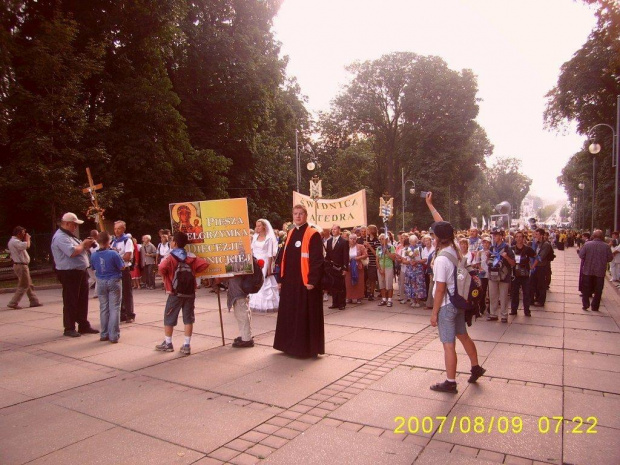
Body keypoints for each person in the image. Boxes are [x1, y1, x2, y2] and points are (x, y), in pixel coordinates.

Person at [425, 193, 485, 393]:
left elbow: (440, 289)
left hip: (446, 306)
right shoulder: (455, 247)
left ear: (437, 238)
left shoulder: (441, 259)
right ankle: (476, 366)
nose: (432, 237)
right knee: (463, 335)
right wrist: (430, 205)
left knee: (448, 344)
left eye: (433, 235)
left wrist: (434, 313)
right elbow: (442, 224)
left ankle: (450, 382)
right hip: (458, 302)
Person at [273, 204, 325, 358]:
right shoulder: (289, 233)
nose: (297, 216)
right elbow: (283, 257)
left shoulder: (313, 234)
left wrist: (313, 280)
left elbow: (317, 260)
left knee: (304, 315)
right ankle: (288, 345)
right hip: (290, 282)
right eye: (295, 213)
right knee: (290, 314)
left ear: (306, 215)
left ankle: (305, 349)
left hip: (305, 281)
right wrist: (281, 279)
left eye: (300, 214)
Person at [156, 232, 209, 355]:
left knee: (169, 316)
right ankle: (186, 345)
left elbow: (161, 268)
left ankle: (168, 343)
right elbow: (204, 264)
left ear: (174, 243)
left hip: (175, 292)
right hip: (190, 292)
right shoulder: (191, 257)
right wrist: (194, 272)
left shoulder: (170, 257)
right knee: (188, 318)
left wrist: (167, 276)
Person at [50, 212, 98, 337]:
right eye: (74, 224)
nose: (75, 227)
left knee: (82, 299)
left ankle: (83, 325)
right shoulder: (60, 237)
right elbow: (72, 252)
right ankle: (69, 327)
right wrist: (83, 244)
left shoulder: (68, 235)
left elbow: (78, 249)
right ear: (66, 223)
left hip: (78, 271)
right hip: (69, 272)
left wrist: (85, 245)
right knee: (71, 299)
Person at [90, 231, 124, 343]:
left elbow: (94, 267)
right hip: (113, 279)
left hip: (101, 280)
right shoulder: (113, 254)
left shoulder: (94, 254)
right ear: (108, 241)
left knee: (103, 308)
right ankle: (113, 334)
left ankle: (104, 333)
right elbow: (121, 266)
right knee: (114, 307)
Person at [7, 226, 42, 309]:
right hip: (21, 266)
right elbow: (27, 246)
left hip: (21, 265)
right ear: (18, 233)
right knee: (23, 285)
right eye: (23, 233)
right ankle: (13, 303)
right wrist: (28, 239)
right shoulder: (15, 241)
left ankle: (34, 301)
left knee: (28, 284)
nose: (24, 235)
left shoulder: (15, 241)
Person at [248, 219, 280, 313]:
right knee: (254, 281)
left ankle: (266, 304)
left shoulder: (268, 239)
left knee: (264, 282)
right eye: (256, 226)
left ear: (264, 227)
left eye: (259, 226)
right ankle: (254, 303)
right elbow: (251, 250)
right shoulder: (254, 237)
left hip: (265, 261)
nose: (257, 228)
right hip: (255, 261)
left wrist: (269, 268)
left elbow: (270, 254)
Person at [579, 229, 613, 312]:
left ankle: (585, 304)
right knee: (598, 290)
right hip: (600, 271)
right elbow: (610, 258)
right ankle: (595, 306)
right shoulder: (606, 246)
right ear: (602, 237)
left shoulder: (587, 244)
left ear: (593, 236)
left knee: (586, 288)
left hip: (588, 270)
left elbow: (581, 255)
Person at [487, 228, 515, 322]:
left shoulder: (507, 247)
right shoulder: (491, 248)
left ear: (501, 236)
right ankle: (493, 314)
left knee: (503, 296)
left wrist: (506, 257)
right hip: (493, 275)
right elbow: (488, 261)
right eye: (493, 235)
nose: (494, 237)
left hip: (504, 275)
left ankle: (504, 316)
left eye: (496, 235)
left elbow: (513, 263)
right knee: (493, 295)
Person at [111, 221, 135, 322]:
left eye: (119, 229)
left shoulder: (127, 241)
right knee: (117, 293)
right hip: (115, 270)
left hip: (124, 269)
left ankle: (130, 314)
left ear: (123, 229)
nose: (116, 231)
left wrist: (115, 256)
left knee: (126, 292)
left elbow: (127, 256)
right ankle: (121, 313)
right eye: (115, 229)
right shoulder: (113, 241)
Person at [510, 231, 536, 317]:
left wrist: (533, 266)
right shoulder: (512, 249)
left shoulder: (528, 249)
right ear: (515, 238)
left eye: (520, 236)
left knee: (526, 293)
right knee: (514, 293)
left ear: (523, 238)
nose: (518, 238)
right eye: (517, 237)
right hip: (515, 275)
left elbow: (537, 257)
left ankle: (527, 310)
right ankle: (513, 310)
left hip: (525, 274)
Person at [326, 224, 349, 310]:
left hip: (340, 267)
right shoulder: (329, 241)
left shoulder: (344, 241)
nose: (333, 231)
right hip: (331, 267)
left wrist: (345, 268)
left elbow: (345, 256)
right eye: (332, 229)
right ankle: (334, 302)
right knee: (333, 285)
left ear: (339, 230)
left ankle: (342, 303)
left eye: (335, 229)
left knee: (340, 285)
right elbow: (328, 255)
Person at [530, 228, 552, 307]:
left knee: (541, 284)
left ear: (541, 235)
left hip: (541, 266)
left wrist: (533, 266)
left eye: (537, 234)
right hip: (535, 266)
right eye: (535, 234)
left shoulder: (546, 245)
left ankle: (541, 300)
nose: (535, 236)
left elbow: (540, 257)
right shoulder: (536, 243)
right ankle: (536, 297)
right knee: (534, 283)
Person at [403, 235, 426, 307]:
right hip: (410, 269)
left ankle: (418, 301)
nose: (413, 243)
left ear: (417, 241)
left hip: (418, 269)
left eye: (415, 242)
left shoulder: (420, 248)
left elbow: (425, 259)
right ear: (409, 242)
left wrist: (417, 261)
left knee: (418, 285)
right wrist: (410, 262)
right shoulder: (407, 249)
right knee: (410, 284)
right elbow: (404, 260)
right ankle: (412, 300)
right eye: (411, 242)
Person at [345, 233, 368, 304]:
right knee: (348, 283)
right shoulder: (346, 247)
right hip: (348, 267)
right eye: (351, 238)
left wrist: (357, 258)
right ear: (349, 239)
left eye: (354, 239)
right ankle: (349, 297)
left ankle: (359, 297)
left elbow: (365, 255)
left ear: (356, 239)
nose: (353, 240)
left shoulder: (360, 246)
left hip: (358, 266)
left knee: (359, 282)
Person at [376, 233, 397, 307]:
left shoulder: (391, 247)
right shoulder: (378, 248)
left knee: (389, 284)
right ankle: (384, 299)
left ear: (386, 240)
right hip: (381, 268)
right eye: (380, 239)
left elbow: (394, 258)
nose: (381, 240)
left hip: (388, 267)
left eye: (383, 239)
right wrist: (379, 269)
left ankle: (389, 300)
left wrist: (387, 252)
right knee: (382, 284)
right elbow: (377, 260)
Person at [364, 225, 381, 300]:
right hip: (366, 262)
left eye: (368, 229)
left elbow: (377, 253)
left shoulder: (377, 241)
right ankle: (366, 292)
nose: (367, 231)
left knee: (372, 279)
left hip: (373, 262)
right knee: (366, 278)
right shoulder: (367, 240)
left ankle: (372, 293)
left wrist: (370, 247)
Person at [86, 229, 100, 299]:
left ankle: (83, 288)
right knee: (97, 278)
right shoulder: (94, 243)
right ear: (95, 235)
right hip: (93, 263)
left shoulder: (86, 242)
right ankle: (96, 293)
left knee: (92, 278)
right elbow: (96, 254)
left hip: (87, 263)